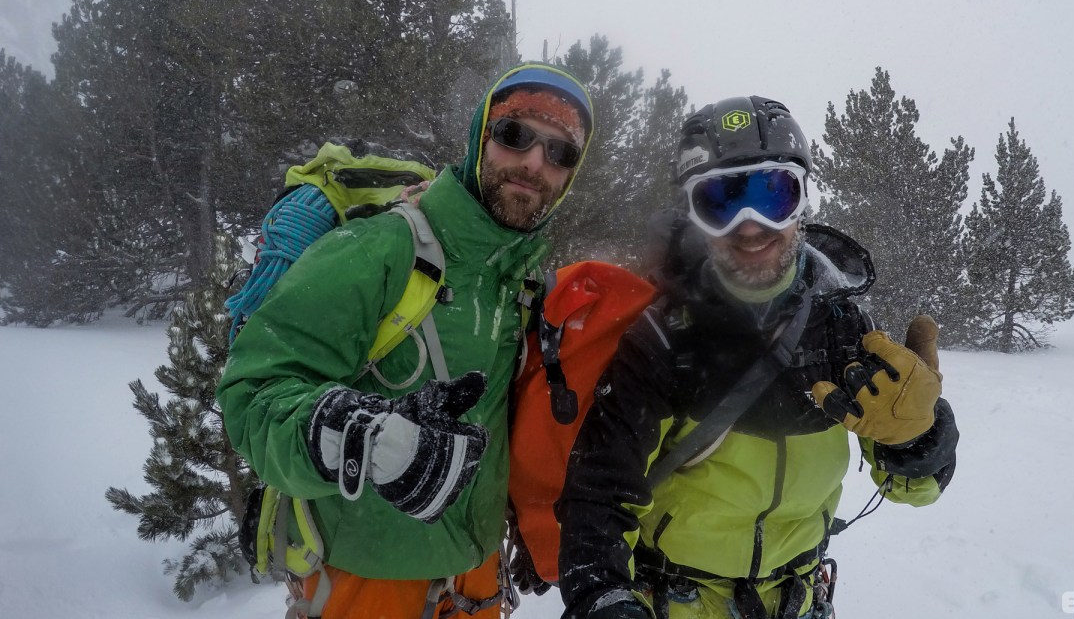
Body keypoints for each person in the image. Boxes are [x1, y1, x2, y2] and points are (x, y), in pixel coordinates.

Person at [556, 95, 958, 619]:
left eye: (773, 194)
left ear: (802, 202)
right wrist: (605, 600)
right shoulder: (664, 339)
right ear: (695, 217)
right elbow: (599, 495)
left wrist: (919, 439)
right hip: (676, 601)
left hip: (799, 598)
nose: (749, 225)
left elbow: (911, 488)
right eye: (720, 201)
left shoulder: (844, 329)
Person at [217, 63, 593, 619]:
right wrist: (354, 435)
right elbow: (252, 393)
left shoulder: (521, 280)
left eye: (560, 152)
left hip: (477, 577)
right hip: (365, 582)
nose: (535, 162)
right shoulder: (379, 248)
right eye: (515, 134)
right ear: (480, 138)